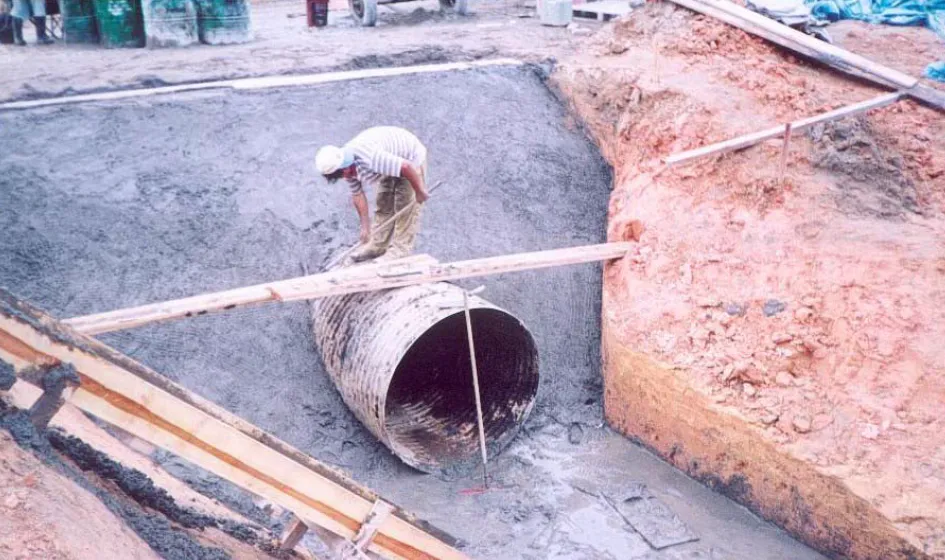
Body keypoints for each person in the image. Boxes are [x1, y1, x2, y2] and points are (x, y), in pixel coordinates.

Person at [316, 126, 430, 263]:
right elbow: (357, 195)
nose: (345, 177)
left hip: (410, 159)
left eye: (343, 174)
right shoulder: (344, 167)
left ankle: (401, 249)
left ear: (344, 167)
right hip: (390, 161)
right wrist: (365, 227)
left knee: (405, 206)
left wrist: (419, 191)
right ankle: (377, 245)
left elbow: (406, 167)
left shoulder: (371, 159)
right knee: (383, 204)